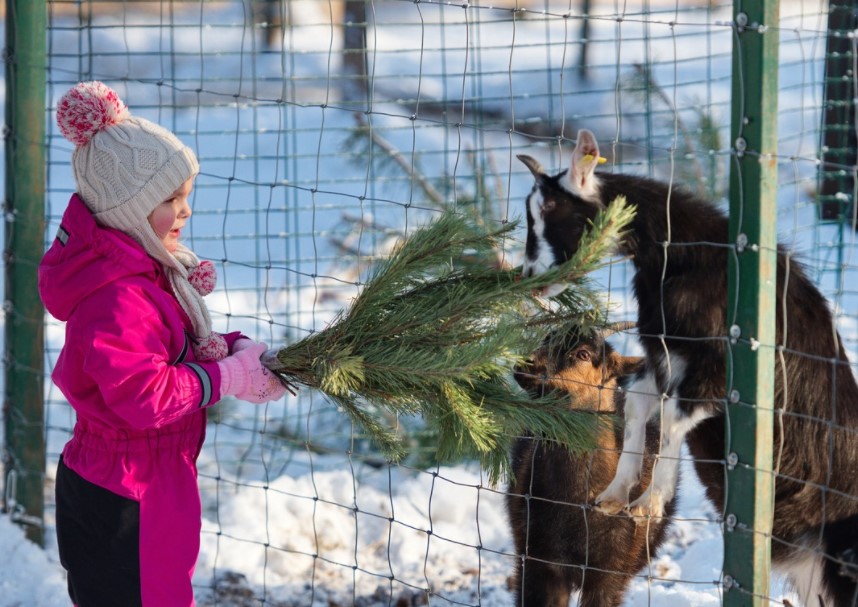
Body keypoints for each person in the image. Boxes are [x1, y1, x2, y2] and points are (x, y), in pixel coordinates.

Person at [39, 81, 289, 607]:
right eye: (171, 199)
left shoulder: (143, 273)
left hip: (151, 477)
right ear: (127, 210)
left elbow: (165, 351)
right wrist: (227, 378)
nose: (186, 212)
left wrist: (230, 349)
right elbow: (144, 395)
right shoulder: (117, 298)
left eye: (187, 197)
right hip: (125, 492)